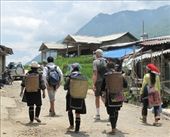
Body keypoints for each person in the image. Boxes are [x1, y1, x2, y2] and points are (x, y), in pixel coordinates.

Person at [101, 62, 126, 134]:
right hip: (118, 95)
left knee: (111, 112)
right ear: (114, 67)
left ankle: (113, 129)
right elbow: (125, 85)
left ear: (107, 68)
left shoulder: (106, 75)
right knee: (116, 111)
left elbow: (102, 87)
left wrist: (102, 93)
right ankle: (114, 126)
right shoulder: (120, 75)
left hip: (110, 96)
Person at [64, 63, 87, 132]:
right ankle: (77, 129)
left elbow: (65, 87)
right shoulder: (83, 76)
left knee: (70, 110)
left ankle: (71, 125)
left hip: (70, 96)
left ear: (72, 69)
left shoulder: (70, 76)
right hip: (80, 96)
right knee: (78, 113)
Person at [92, 49, 107, 120]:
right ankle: (110, 113)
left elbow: (95, 73)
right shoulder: (106, 61)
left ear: (97, 54)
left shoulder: (95, 62)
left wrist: (93, 84)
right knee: (104, 97)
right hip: (106, 81)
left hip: (98, 82)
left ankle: (98, 115)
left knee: (97, 97)